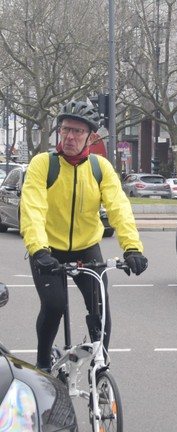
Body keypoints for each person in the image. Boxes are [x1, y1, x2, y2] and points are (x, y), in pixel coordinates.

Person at [20, 100, 148, 373]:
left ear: (90, 136)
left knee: (100, 309)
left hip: (86, 247)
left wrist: (132, 249)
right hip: (48, 249)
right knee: (54, 305)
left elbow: (119, 207)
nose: (70, 136)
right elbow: (32, 208)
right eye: (66, 129)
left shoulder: (100, 168)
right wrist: (38, 250)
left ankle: (100, 369)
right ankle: (43, 363)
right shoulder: (43, 164)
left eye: (78, 132)